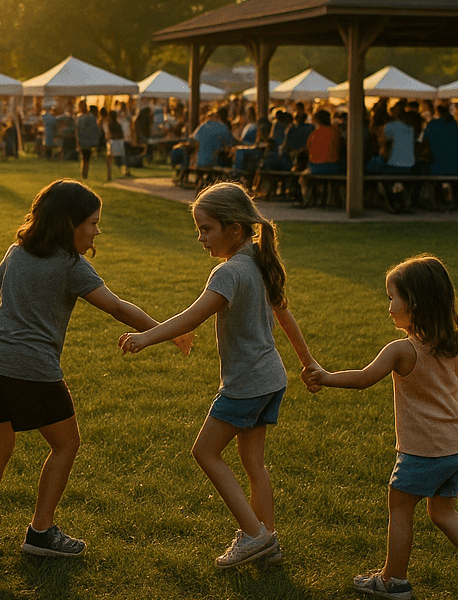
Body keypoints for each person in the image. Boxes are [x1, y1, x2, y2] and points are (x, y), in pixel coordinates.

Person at [0, 179, 190, 559]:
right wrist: (168, 333)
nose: (97, 232)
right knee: (67, 444)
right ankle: (41, 533)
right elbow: (116, 307)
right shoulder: (70, 265)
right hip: (34, 372)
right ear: (69, 223)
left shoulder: (16, 253)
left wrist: (3, 344)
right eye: (93, 223)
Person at [118, 182, 319, 569]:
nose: (201, 238)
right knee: (254, 464)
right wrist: (307, 362)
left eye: (206, 229)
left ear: (235, 228)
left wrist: (147, 337)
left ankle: (254, 535)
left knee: (205, 452)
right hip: (271, 378)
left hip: (246, 384)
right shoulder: (258, 259)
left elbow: (193, 316)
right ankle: (268, 543)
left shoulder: (229, 272)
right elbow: (284, 314)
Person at [305, 256, 458, 600]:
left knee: (400, 508)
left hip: (423, 450)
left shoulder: (402, 350)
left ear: (413, 303)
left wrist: (325, 376)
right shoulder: (449, 344)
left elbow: (363, 379)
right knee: (444, 513)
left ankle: (393, 581)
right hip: (456, 447)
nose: (388, 307)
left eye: (392, 298)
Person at [76, 102, 102, 180]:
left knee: (86, 157)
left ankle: (85, 173)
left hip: (87, 141)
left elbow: (94, 129)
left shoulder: (89, 117)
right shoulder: (81, 117)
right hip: (83, 140)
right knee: (84, 157)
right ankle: (84, 172)